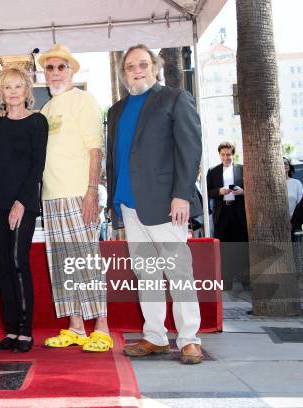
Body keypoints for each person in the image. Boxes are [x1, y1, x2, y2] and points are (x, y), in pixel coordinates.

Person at [106, 44, 203, 364]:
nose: (137, 69)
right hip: (129, 206)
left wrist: (182, 195)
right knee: (146, 273)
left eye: (143, 64)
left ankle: (189, 338)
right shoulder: (116, 111)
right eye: (130, 65)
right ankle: (155, 336)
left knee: (178, 273)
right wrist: (115, 204)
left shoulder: (174, 99)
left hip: (165, 204)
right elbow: (115, 158)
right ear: (123, 74)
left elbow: (189, 150)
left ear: (155, 67)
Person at [39, 44, 113, 353]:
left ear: (72, 71)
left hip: (79, 195)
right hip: (50, 197)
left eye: (61, 67)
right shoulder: (44, 110)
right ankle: (76, 326)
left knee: (86, 261)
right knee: (63, 264)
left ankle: (103, 328)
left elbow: (95, 149)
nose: (55, 72)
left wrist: (92, 191)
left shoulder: (84, 101)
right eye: (50, 68)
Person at [0, 67, 48, 353]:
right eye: (6, 87)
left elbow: (37, 166)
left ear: (26, 91)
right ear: (0, 93)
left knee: (18, 261)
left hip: (23, 203)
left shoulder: (38, 122)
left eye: (17, 86)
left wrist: (22, 202)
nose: (12, 92)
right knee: (2, 267)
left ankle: (25, 331)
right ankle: (10, 330)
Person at [206, 141, 248, 289]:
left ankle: (246, 282)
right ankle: (226, 283)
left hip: (239, 213)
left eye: (228, 154)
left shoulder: (242, 169)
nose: (226, 157)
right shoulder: (212, 171)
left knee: (242, 247)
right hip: (222, 213)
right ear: (219, 155)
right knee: (223, 249)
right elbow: (208, 192)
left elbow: (251, 187)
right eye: (223, 155)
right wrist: (219, 191)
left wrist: (242, 191)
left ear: (233, 154)